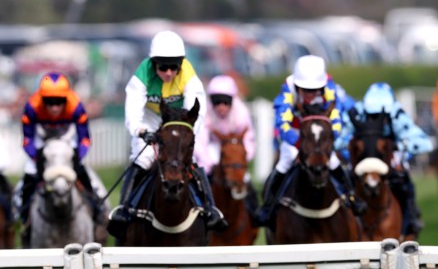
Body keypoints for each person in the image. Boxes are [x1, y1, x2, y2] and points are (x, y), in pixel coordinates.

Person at [108, 30, 227, 238]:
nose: (170, 72)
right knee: (143, 159)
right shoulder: (142, 74)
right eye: (163, 67)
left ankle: (210, 210)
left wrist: (188, 135)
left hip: (179, 121)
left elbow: (196, 112)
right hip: (150, 119)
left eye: (174, 66)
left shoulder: (189, 75)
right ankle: (124, 209)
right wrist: (141, 132)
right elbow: (133, 112)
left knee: (195, 158)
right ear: (154, 63)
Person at [253, 54, 365, 228]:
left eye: (314, 90)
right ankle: (268, 207)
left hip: (321, 137)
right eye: (305, 89)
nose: (310, 94)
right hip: (295, 135)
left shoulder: (329, 88)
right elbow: (282, 125)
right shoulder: (287, 90)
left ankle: (351, 197)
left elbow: (336, 119)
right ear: (297, 86)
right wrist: (301, 145)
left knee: (334, 162)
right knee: (285, 160)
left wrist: (325, 141)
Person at [337, 82, 434, 237]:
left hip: (389, 163)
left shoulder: (396, 114)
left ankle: (409, 226)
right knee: (341, 187)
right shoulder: (355, 113)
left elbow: (423, 142)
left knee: (405, 185)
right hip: (360, 164)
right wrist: (353, 154)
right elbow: (338, 141)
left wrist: (400, 151)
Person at [17, 72, 103, 230]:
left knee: (82, 172)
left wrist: (76, 157)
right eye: (49, 102)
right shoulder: (31, 107)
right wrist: (38, 157)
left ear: (67, 98)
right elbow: (27, 139)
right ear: (42, 99)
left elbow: (84, 138)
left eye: (59, 101)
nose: (55, 107)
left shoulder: (76, 107)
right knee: (29, 173)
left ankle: (95, 208)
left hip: (67, 144)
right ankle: (24, 215)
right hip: (42, 145)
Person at [193, 74, 259, 215]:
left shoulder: (241, 113)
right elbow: (200, 141)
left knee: (246, 179)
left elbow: (249, 140)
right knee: (201, 177)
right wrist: (208, 163)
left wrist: (241, 158)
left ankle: (255, 213)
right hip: (213, 148)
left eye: (225, 102)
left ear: (232, 100)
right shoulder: (204, 112)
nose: (221, 107)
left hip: (234, 151)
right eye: (216, 102)